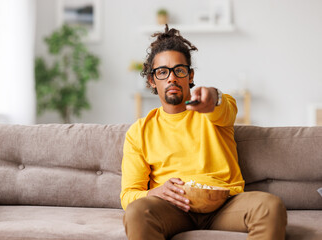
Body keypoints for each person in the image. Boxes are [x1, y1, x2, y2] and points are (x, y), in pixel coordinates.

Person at [120, 25, 287, 240]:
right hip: (173, 209)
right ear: (152, 80)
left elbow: (220, 105)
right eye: (162, 72)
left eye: (179, 70)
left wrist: (212, 96)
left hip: (225, 204)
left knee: (271, 206)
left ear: (190, 76)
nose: (171, 78)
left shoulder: (214, 109)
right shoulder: (139, 131)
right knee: (137, 212)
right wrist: (154, 193)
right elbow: (128, 195)